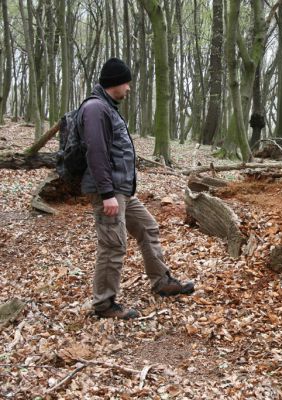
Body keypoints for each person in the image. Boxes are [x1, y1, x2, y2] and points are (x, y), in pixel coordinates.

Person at [80, 58, 194, 320]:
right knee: (113, 245)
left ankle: (162, 281)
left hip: (122, 191)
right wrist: (107, 194)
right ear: (115, 83)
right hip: (108, 191)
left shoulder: (108, 108)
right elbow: (95, 153)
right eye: (126, 82)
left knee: (147, 225)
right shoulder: (96, 108)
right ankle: (104, 305)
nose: (129, 88)